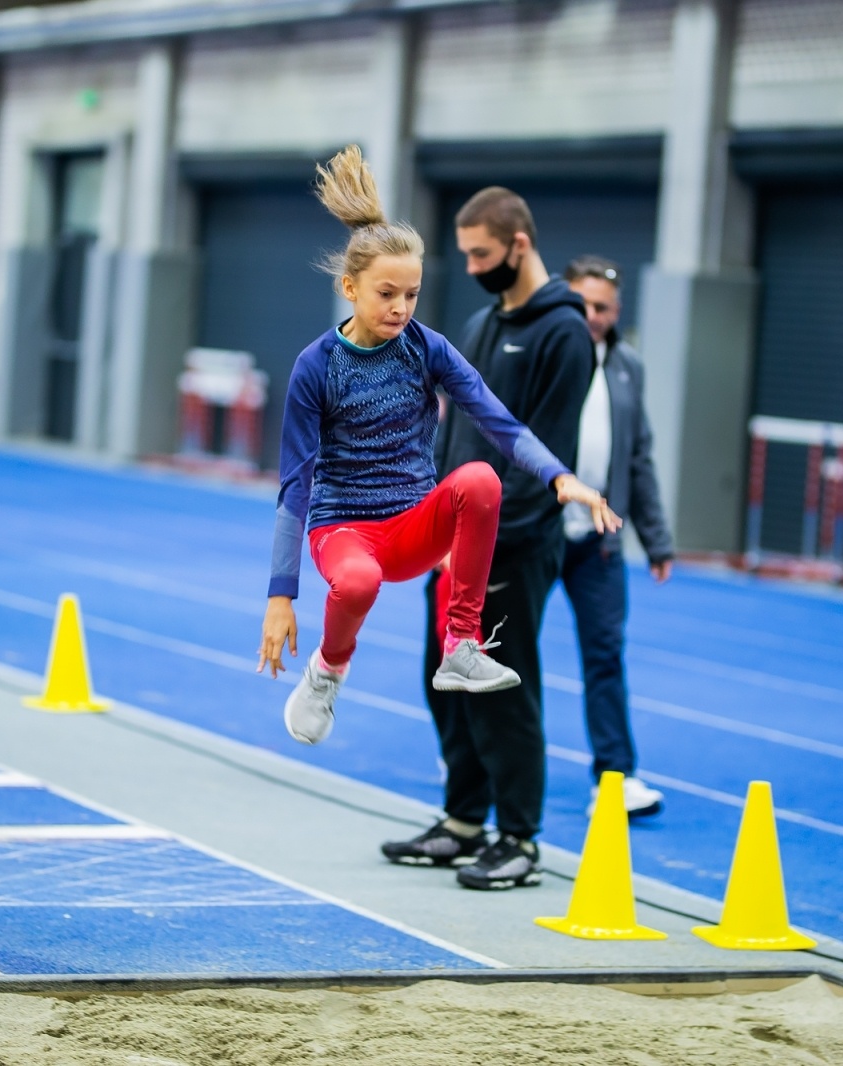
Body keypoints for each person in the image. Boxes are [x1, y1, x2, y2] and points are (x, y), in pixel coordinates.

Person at [256, 147, 618, 786]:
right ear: (350, 287)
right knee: (360, 584)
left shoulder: (426, 348)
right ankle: (329, 670)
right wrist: (282, 595)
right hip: (345, 532)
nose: (400, 309)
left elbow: (497, 420)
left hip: (416, 522)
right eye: (386, 294)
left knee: (479, 477)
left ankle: (461, 646)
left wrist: (561, 477)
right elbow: (295, 485)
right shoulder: (316, 366)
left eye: (412, 295)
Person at [381, 187, 595, 890]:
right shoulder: (478, 325)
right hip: (450, 545)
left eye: (482, 253)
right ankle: (463, 822)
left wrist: (488, 541)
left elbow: (545, 454)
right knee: (443, 683)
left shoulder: (563, 334)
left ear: (519, 245)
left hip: (511, 546)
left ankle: (519, 838)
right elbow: (453, 432)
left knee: (503, 689)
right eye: (466, 253)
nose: (472, 266)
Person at [561, 255, 675, 819]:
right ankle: (483, 762)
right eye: (584, 304)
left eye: (604, 308)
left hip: (599, 539)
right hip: (536, 530)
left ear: (618, 311)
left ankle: (616, 776)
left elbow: (639, 456)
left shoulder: (629, 366)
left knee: (605, 654)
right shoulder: (543, 352)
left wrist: (656, 539)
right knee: (500, 650)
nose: (594, 316)